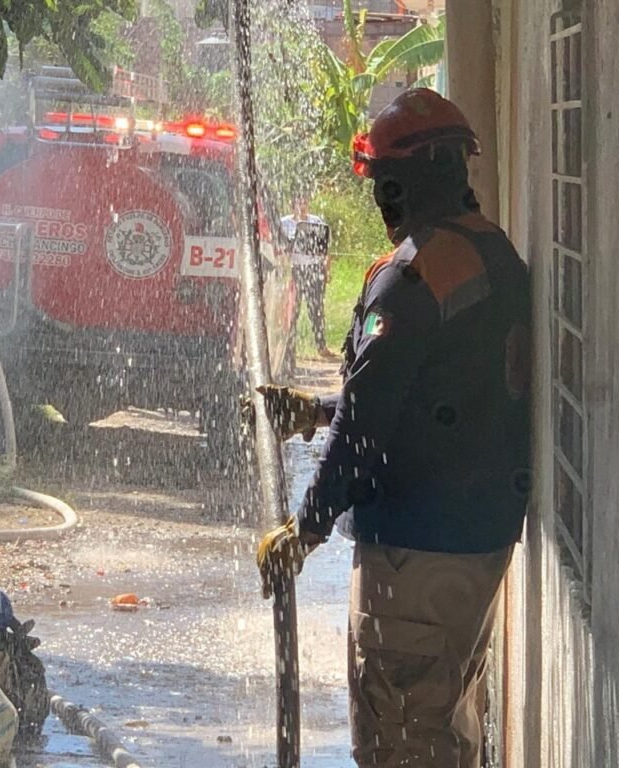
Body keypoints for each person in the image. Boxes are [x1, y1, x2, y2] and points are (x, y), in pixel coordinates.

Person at [255, 89, 531, 768]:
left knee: (399, 744)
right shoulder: (490, 253)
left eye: (385, 182)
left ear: (417, 176)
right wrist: (320, 411)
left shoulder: (410, 276)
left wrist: (306, 529)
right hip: (472, 548)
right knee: (443, 736)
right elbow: (439, 397)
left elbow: (369, 431)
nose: (381, 199)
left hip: (414, 557)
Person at [281, 196, 337, 361]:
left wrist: (326, 269)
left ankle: (321, 347)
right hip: (295, 270)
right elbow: (280, 247)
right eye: (299, 203)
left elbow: (324, 247)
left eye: (305, 203)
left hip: (314, 269)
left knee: (317, 309)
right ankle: (289, 347)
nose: (302, 206)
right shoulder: (284, 223)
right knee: (293, 309)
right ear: (293, 206)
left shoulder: (317, 221)